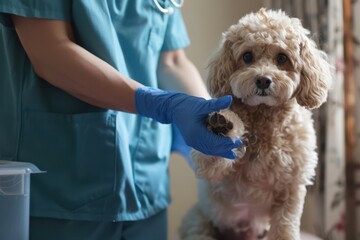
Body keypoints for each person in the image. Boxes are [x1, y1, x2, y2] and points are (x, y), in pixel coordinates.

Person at [0, 0, 242, 239]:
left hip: (146, 179)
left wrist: (214, 119)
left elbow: (172, 61)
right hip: (64, 181)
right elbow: (49, 50)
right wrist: (160, 104)